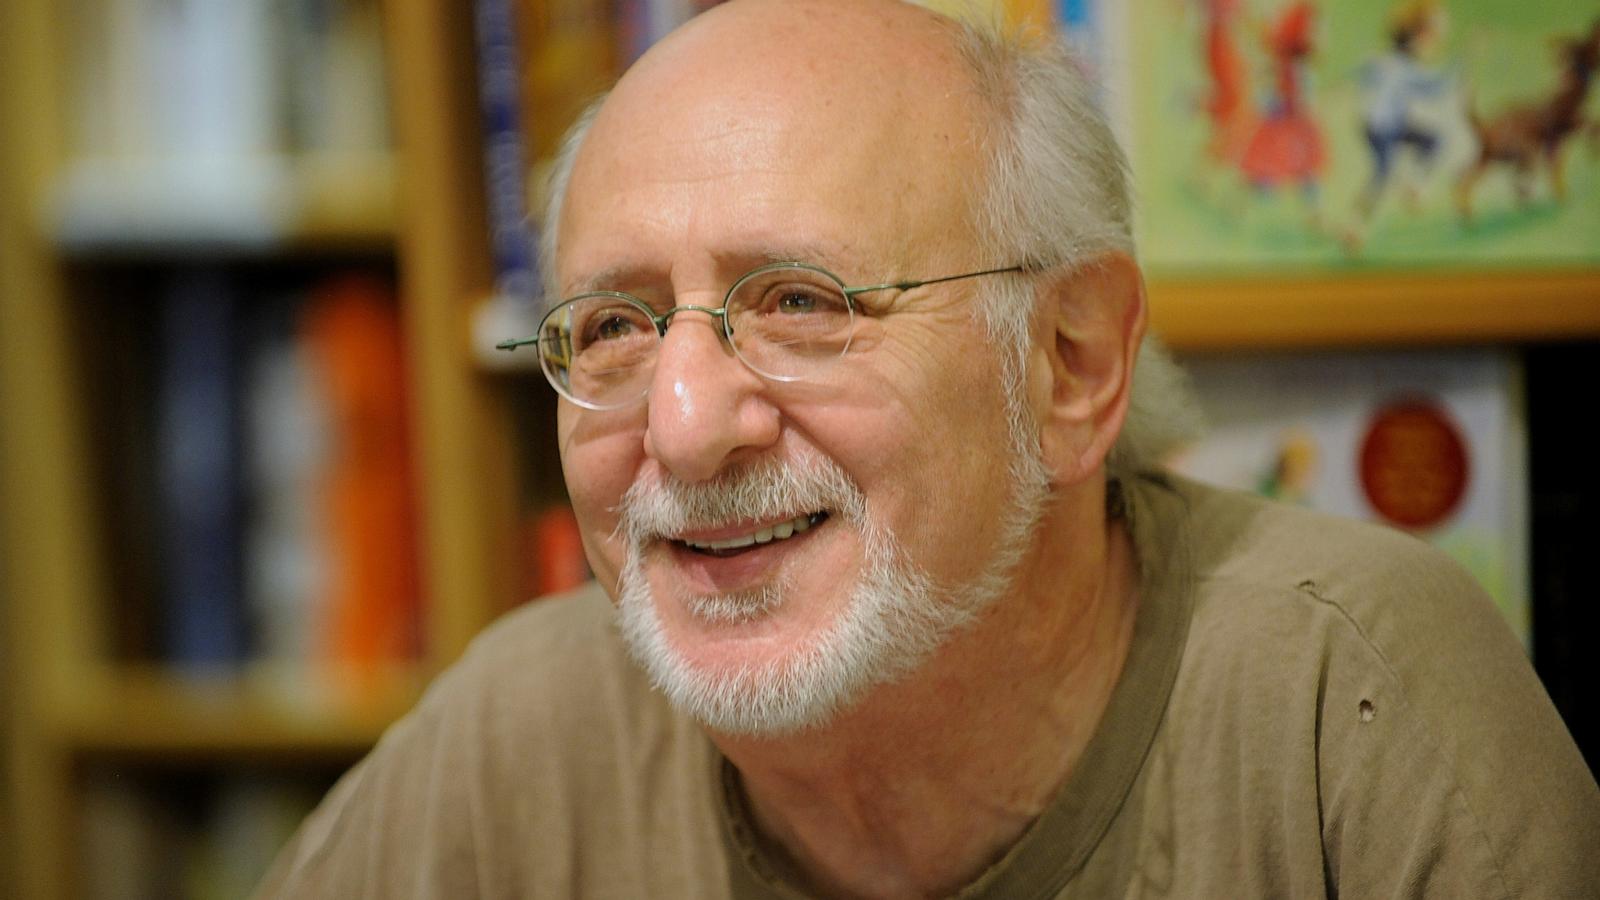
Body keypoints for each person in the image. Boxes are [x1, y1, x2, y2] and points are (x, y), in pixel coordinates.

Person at [256, 1, 1600, 896]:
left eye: (799, 303)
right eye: (611, 325)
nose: (680, 424)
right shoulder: (521, 742)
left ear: (1072, 364)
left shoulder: (1346, 709)